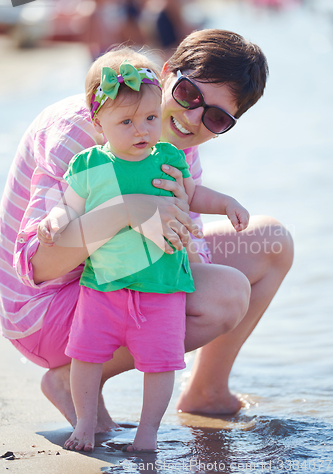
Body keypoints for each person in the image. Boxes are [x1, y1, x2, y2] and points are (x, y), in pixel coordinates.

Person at [0, 29, 293, 435]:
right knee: (225, 295)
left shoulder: (173, 149)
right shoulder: (85, 130)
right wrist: (129, 211)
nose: (193, 119)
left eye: (216, 117)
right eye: (189, 95)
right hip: (42, 309)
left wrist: (177, 231)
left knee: (272, 242)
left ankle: (207, 391)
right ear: (168, 71)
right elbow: (38, 267)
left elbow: (190, 256)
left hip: (112, 276)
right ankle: (76, 376)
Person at [37, 51, 249, 452]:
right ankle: (83, 424)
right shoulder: (89, 163)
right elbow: (68, 204)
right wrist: (53, 221)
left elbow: (192, 194)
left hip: (161, 285)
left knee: (161, 362)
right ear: (99, 124)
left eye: (150, 118)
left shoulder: (168, 156)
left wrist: (225, 204)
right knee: (86, 356)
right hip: (102, 285)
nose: (142, 131)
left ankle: (147, 432)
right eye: (126, 122)